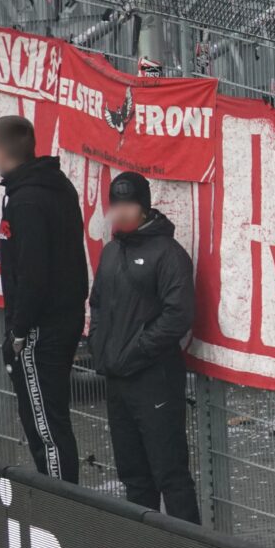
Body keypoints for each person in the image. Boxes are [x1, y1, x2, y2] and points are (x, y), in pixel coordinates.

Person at [88, 173, 200, 524]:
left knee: (170, 474)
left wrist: (136, 351)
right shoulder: (109, 253)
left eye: (128, 205)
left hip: (155, 379)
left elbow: (178, 315)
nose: (120, 212)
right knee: (133, 476)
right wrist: (99, 347)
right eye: (115, 205)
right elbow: (98, 304)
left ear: (145, 206)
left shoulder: (169, 254)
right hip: (118, 381)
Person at [0, 115, 87, 483]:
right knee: (51, 422)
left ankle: (62, 512)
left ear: (1, 151)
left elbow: (32, 272)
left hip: (39, 330)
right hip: (59, 322)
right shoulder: (54, 186)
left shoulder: (27, 200)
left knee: (46, 430)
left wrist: (19, 331)